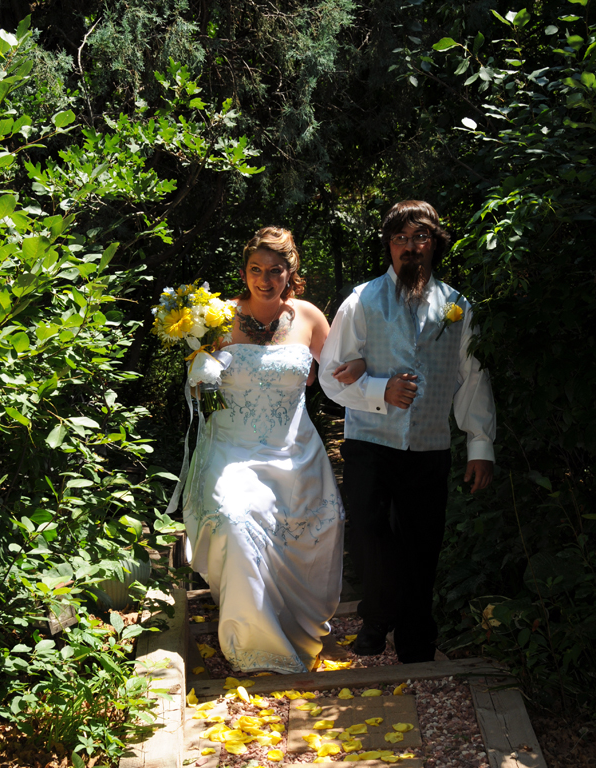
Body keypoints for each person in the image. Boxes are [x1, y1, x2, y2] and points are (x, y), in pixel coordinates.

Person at [319, 199, 496, 663]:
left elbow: (472, 377)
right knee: (371, 537)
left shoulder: (457, 306)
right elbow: (330, 374)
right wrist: (380, 390)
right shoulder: (361, 300)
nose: (409, 248)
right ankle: (377, 619)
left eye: (420, 238)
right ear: (388, 247)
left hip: (429, 444)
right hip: (369, 444)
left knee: (422, 542)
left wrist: (480, 444)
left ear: (435, 244)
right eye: (400, 239)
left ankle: (417, 638)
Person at [183, 226, 347, 673]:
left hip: (294, 453)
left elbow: (337, 375)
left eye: (275, 271)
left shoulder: (311, 318)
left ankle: (291, 627)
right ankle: (252, 644)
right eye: (256, 270)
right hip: (231, 451)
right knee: (236, 522)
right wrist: (200, 374)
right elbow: (197, 384)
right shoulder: (215, 318)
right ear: (244, 273)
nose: (265, 279)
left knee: (298, 538)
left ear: (290, 273)